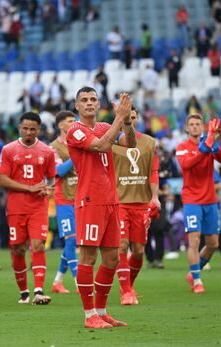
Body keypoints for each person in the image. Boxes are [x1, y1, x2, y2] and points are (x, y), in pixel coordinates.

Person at [66, 87, 136, 328]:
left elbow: (130, 144)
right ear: (77, 106)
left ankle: (102, 312)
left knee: (112, 259)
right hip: (90, 200)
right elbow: (101, 146)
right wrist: (119, 117)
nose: (89, 103)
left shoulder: (106, 126)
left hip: (111, 200)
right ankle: (89, 316)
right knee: (88, 256)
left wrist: (126, 121)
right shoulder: (75, 130)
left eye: (93, 99)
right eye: (84, 100)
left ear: (98, 104)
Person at [0, 112, 55, 305]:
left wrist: (49, 189)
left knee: (38, 245)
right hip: (15, 206)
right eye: (25, 128)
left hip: (38, 207)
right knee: (17, 249)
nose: (29, 132)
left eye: (33, 129)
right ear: (19, 128)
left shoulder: (47, 151)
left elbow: (52, 177)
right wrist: (29, 188)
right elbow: (2, 179)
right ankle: (24, 292)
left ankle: (39, 290)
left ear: (38, 130)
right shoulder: (8, 150)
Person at [113, 106, 160, 305]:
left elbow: (153, 171)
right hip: (120, 202)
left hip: (141, 203)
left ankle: (129, 286)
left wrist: (155, 197)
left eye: (133, 117)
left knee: (139, 250)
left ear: (137, 118)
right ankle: (125, 292)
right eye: (126, 117)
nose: (130, 121)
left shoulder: (149, 142)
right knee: (122, 245)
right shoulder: (112, 141)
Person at [176, 114, 221, 294]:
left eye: (198, 124)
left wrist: (214, 141)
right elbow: (188, 164)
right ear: (187, 128)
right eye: (192, 124)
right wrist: (206, 144)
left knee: (213, 243)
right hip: (191, 200)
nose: (195, 127)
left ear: (202, 127)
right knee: (194, 239)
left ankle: (193, 271)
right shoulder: (182, 147)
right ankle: (197, 280)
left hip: (210, 199)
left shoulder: (209, 141)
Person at [49, 110, 78, 294]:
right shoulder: (53, 147)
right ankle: (78, 281)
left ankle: (57, 281)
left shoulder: (78, 142)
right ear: (61, 125)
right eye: (70, 120)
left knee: (73, 242)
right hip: (64, 199)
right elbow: (58, 171)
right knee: (71, 240)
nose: (74, 122)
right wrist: (77, 156)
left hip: (80, 197)